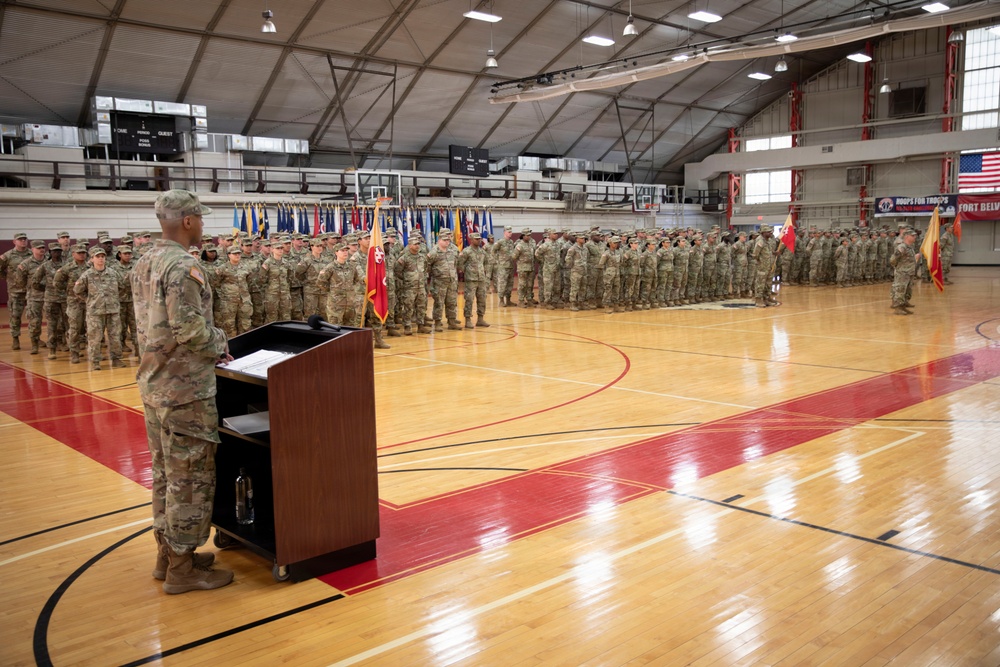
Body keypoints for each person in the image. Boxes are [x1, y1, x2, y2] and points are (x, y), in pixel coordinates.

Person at [131, 189, 233, 594]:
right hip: (185, 390)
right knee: (189, 477)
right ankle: (182, 569)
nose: (203, 225)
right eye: (201, 218)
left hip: (154, 384)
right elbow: (190, 331)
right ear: (187, 221)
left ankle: (167, 555)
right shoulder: (182, 266)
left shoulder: (144, 261)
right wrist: (221, 342)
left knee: (164, 475)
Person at [73, 247, 126, 370]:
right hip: (95, 312)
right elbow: (77, 291)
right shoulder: (87, 275)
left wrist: (114, 299)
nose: (101, 259)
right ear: (92, 259)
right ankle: (95, 362)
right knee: (95, 338)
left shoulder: (113, 273)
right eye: (98, 256)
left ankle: (116, 359)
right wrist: (89, 300)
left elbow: (122, 288)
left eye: (102, 256)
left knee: (115, 336)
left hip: (113, 310)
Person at [889, 228, 917, 315]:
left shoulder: (909, 247)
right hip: (902, 273)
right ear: (907, 236)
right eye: (913, 236)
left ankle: (903, 306)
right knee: (900, 290)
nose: (915, 237)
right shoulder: (902, 247)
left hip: (909, 273)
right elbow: (893, 259)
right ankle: (898, 308)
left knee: (907, 290)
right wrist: (899, 268)